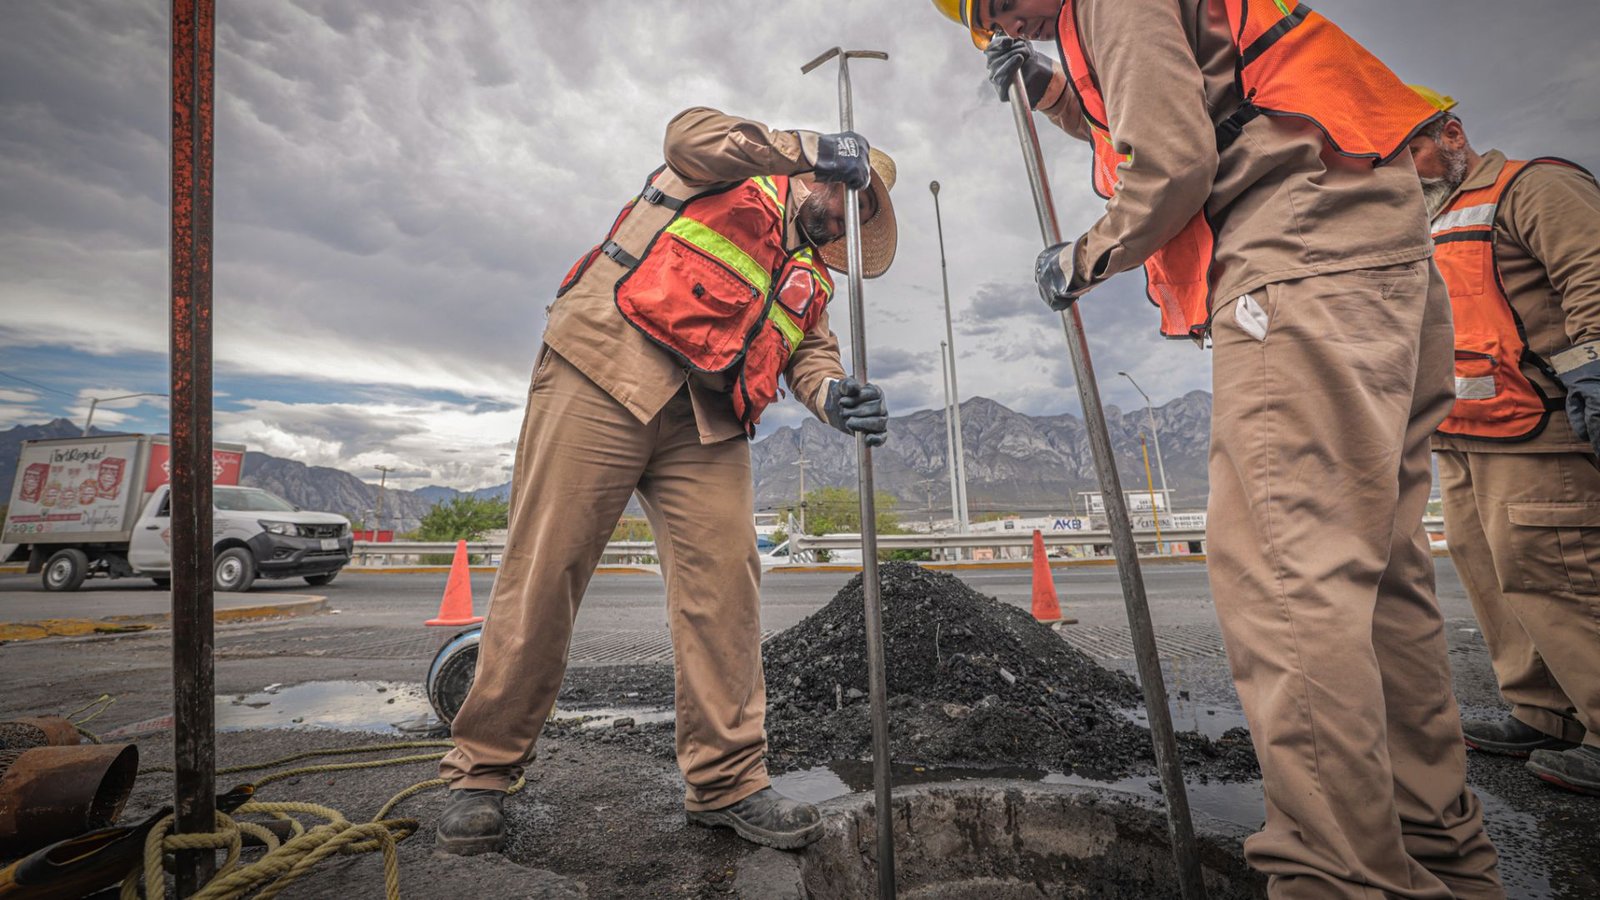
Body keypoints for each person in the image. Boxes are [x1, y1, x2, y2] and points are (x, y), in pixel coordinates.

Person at [933, 1, 1504, 896]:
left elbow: (1171, 158)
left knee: (1285, 576)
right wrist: (1052, 92)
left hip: (1301, 253)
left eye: (998, 8)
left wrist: (1083, 257)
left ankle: (1337, 880)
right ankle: (1441, 857)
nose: (1009, 27)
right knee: (1376, 581)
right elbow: (1185, 96)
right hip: (1368, 254)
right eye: (988, 25)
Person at [434, 107, 898, 855]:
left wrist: (834, 397)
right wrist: (810, 144)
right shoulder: (731, 169)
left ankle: (727, 782)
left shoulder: (812, 280)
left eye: (859, 216)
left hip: (706, 422)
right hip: (604, 369)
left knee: (726, 588)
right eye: (848, 198)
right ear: (820, 178)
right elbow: (687, 134)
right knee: (546, 570)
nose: (845, 219)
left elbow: (811, 356)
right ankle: (482, 771)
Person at [1406, 86, 1600, 796]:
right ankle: (1546, 711)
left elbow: (1593, 274)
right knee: (1494, 576)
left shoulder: (1533, 187)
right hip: (1463, 435)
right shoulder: (1425, 220)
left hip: (1540, 432)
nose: (1402, 172)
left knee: (1561, 576)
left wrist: (1596, 375)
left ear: (1453, 134)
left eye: (1411, 151)